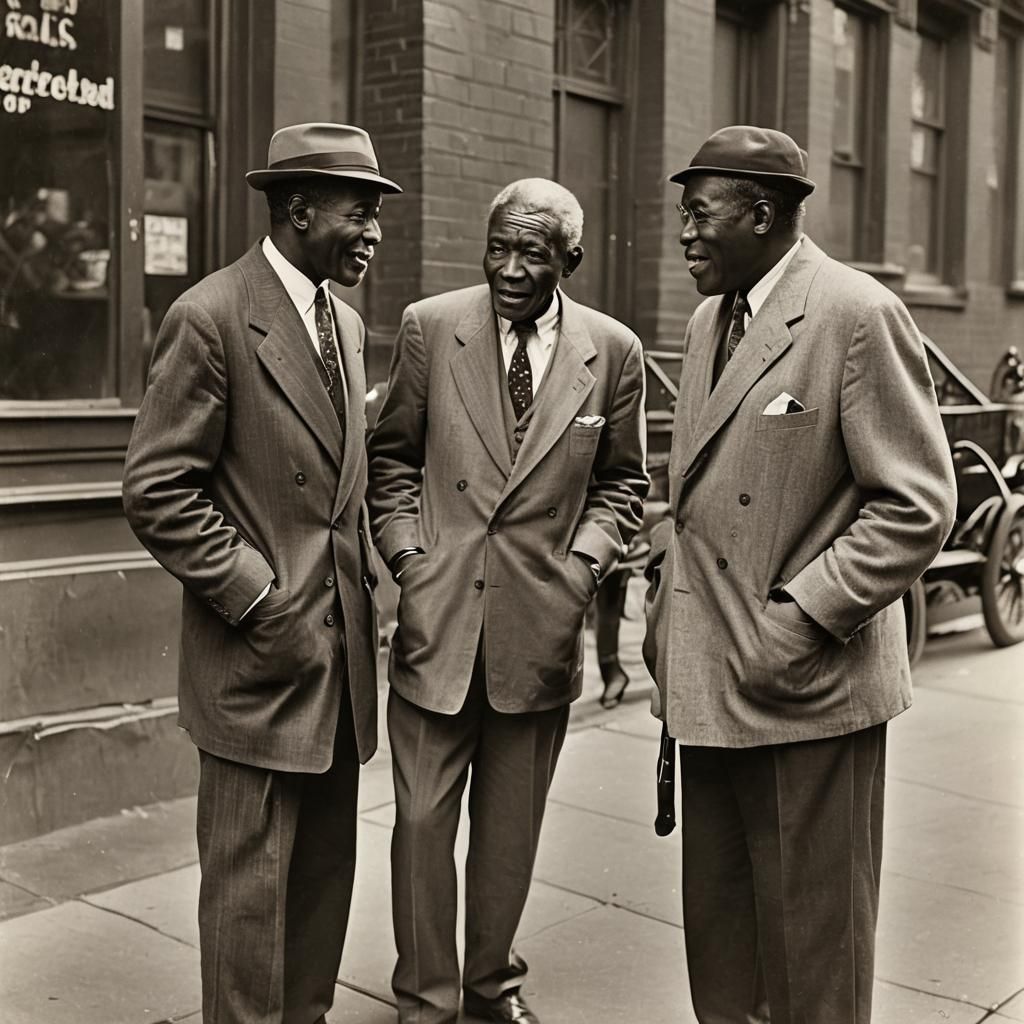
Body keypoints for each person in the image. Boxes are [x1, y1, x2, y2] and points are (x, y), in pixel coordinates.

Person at [644, 125, 956, 1024]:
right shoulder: (710, 318)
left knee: (815, 958)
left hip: (808, 690)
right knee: (724, 948)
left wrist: (799, 619)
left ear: (762, 214)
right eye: (682, 214)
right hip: (708, 682)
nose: (684, 233)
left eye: (700, 213)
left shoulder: (856, 314)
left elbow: (916, 505)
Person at [122, 122, 401, 1024]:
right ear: (297, 209)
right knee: (248, 904)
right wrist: (260, 598)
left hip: (338, 669)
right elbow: (157, 489)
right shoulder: (209, 316)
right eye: (359, 212)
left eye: (377, 215)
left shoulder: (345, 322)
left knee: (320, 888)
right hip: (258, 666)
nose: (373, 233)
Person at [367, 178, 649, 1024]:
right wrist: (410, 559)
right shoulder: (430, 326)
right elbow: (392, 460)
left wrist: (581, 571)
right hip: (439, 620)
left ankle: (491, 985)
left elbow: (623, 483)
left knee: (509, 831)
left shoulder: (614, 350)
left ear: (571, 258)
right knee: (421, 824)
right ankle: (426, 1000)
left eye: (532, 252)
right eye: (499, 248)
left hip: (539, 628)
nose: (511, 269)